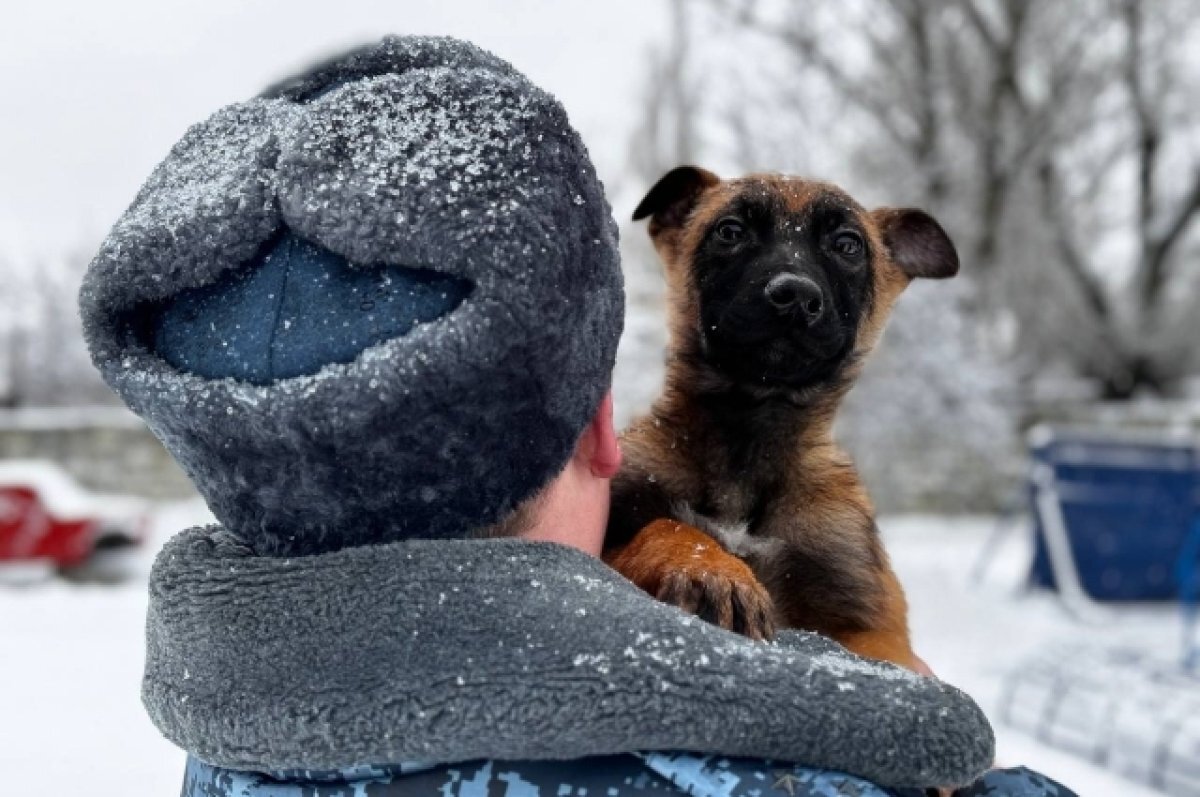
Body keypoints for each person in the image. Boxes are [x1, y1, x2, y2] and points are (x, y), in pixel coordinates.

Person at [79, 36, 1075, 797]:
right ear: (598, 427)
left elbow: (882, 655)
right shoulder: (636, 502)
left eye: (839, 251)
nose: (789, 282)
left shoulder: (226, 747)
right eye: (737, 238)